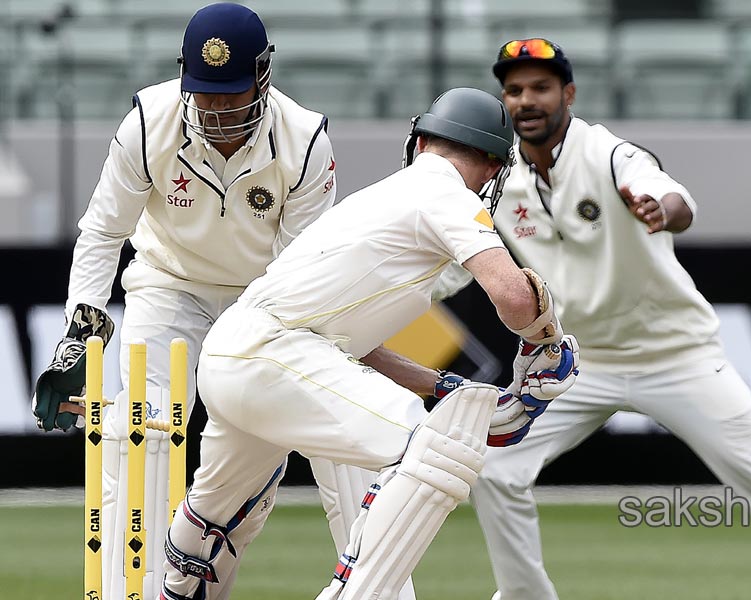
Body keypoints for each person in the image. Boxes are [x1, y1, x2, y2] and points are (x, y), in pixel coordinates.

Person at [460, 38, 751, 600]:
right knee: (495, 470)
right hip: (577, 363)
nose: (527, 100)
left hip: (677, 356)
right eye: (515, 90)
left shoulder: (610, 154)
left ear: (568, 93)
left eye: (541, 87)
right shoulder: (502, 181)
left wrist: (660, 209)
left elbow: (673, 198)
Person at [157, 86, 580, 600]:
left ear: (420, 142)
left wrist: (442, 388)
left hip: (239, 354)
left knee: (216, 517)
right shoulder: (446, 194)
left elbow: (345, 345)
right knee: (433, 453)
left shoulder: (379, 200)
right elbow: (514, 297)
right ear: (493, 167)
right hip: (275, 355)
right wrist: (546, 341)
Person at [29, 4, 387, 599]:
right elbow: (101, 231)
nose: (217, 109)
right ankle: (127, 590)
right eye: (205, 93)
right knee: (136, 428)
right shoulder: (149, 120)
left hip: (263, 299)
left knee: (276, 454)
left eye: (231, 92)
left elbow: (302, 275)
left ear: (263, 75)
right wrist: (78, 339)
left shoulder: (304, 141)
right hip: (168, 289)